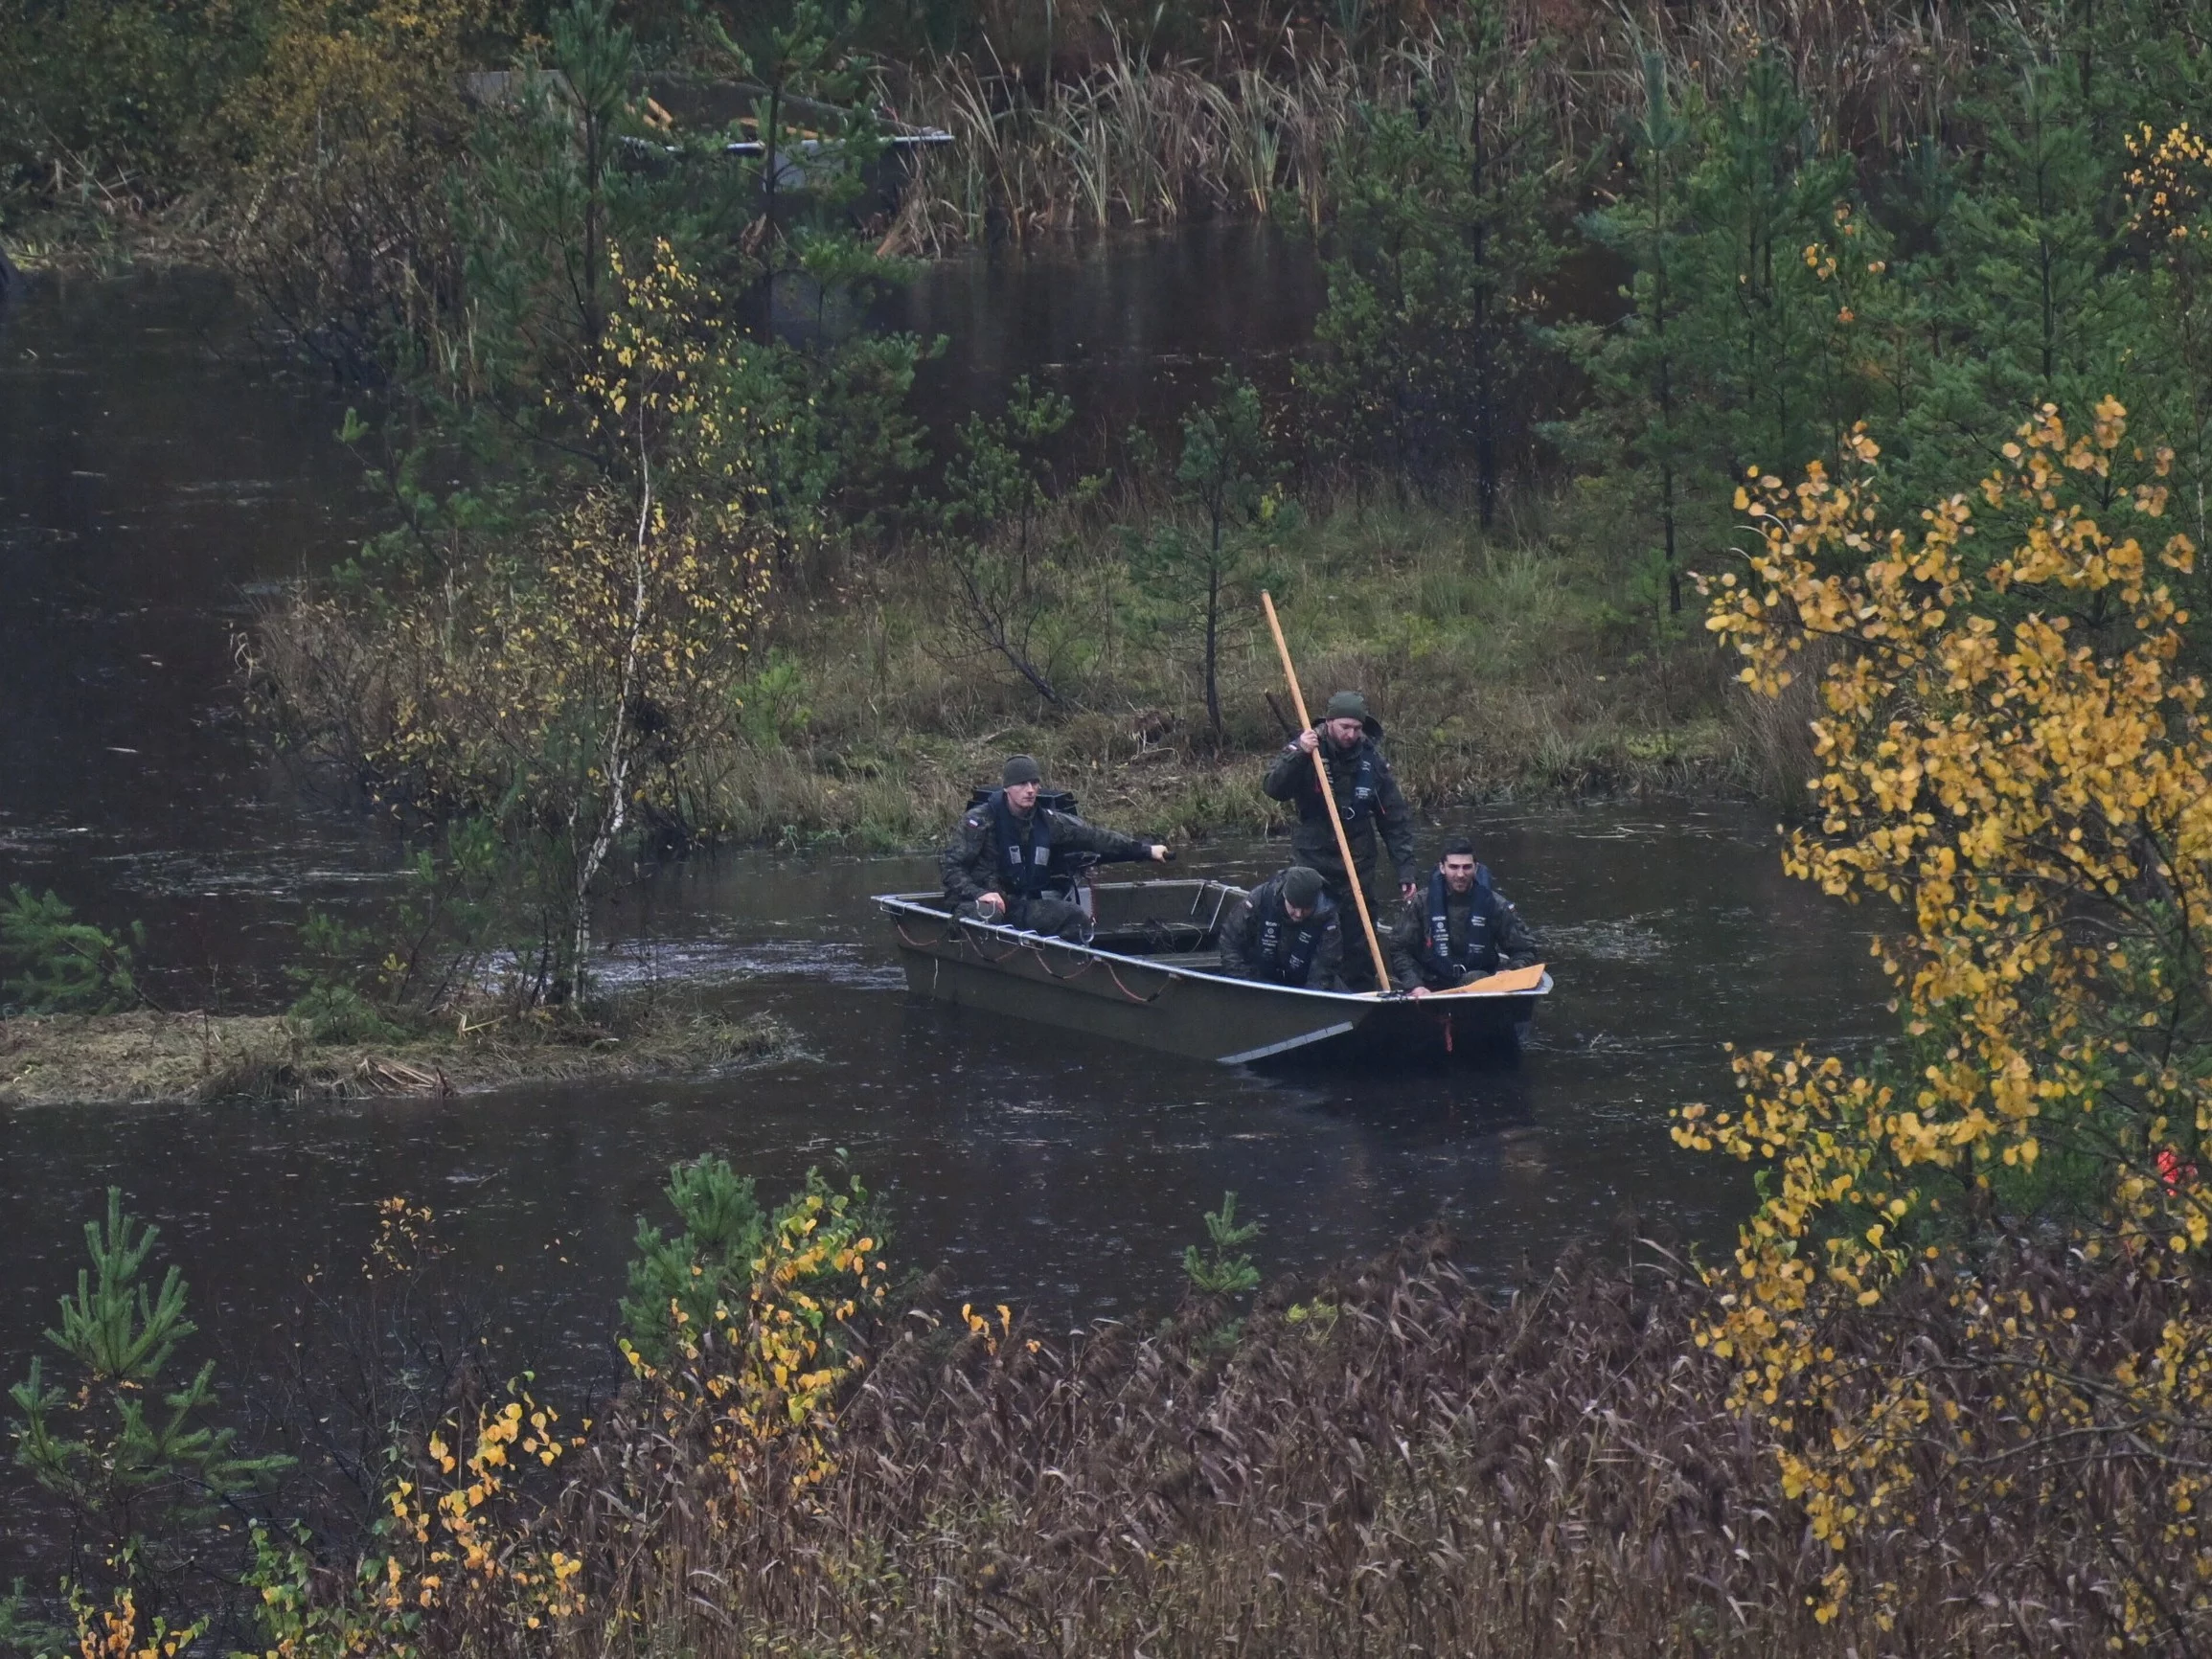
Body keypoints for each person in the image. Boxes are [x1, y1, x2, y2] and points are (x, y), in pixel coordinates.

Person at [1261, 690, 1416, 988]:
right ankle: (1303, 988)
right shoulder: (1306, 748)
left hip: (1357, 861)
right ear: (1330, 722)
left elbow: (1395, 819)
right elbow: (1273, 788)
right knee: (1309, 925)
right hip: (1313, 858)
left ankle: (1361, 993)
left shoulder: (1372, 760)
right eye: (1345, 727)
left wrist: (1405, 870)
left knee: (1358, 934)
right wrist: (1299, 753)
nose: (1351, 734)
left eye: (1357, 728)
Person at [942, 755, 1170, 941]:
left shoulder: (1047, 821)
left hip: (1017, 904)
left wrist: (1146, 851)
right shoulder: (979, 821)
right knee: (989, 917)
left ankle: (1063, 971)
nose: (1030, 790)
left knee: (1074, 917)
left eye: (1034, 783)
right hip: (977, 902)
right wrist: (980, 894)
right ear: (1007, 789)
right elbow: (951, 868)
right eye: (1022, 784)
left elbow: (1094, 837)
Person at [1388, 836, 1541, 997]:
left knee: (1476, 979)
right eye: (1453, 867)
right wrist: (1414, 985)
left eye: (1466, 867)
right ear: (1442, 868)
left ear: (1476, 868)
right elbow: (1399, 949)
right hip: (1430, 989)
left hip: (1481, 988)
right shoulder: (1421, 903)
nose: (1460, 874)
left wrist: (1511, 972)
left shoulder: (1495, 904)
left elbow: (1525, 950)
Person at [1216, 865, 1344, 989]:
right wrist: (1247, 983)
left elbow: (1326, 966)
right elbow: (1230, 941)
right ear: (1284, 896)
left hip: (1304, 983)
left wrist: (1309, 999)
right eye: (1294, 906)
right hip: (1258, 980)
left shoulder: (1328, 918)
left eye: (1306, 908)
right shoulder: (1260, 899)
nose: (1298, 914)